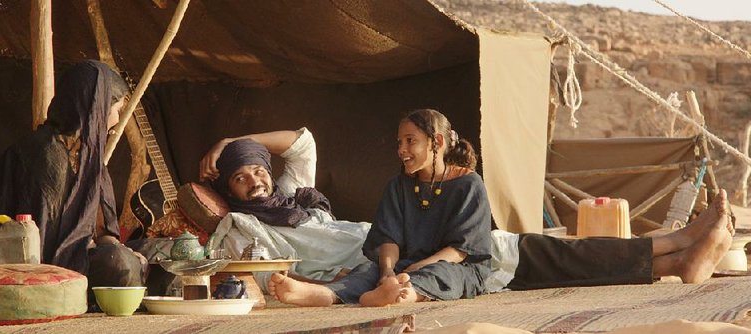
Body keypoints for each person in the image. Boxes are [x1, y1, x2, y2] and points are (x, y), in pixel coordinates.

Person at [266, 108, 733, 307]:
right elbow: (385, 238)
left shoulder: (468, 186)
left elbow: (461, 252)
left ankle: (686, 244)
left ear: (439, 143)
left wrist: (409, 274)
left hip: (483, 262)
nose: (402, 150)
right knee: (373, 273)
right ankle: (686, 251)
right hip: (415, 272)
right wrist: (390, 273)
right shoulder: (396, 187)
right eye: (399, 143)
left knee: (585, 256)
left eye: (411, 142)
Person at [0, 60, 146, 292]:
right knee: (118, 264)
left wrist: (125, 251)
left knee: (152, 253)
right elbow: (44, 246)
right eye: (115, 109)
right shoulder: (42, 153)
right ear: (93, 107)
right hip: (40, 270)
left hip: (80, 259)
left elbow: (103, 232)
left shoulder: (90, 158)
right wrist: (116, 255)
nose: (115, 121)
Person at [199, 128, 370, 283]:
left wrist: (230, 141)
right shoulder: (241, 226)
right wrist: (330, 287)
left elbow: (303, 144)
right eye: (240, 179)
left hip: (369, 239)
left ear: (268, 172)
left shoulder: (290, 192)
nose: (255, 182)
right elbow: (266, 275)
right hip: (353, 271)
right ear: (229, 191)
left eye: (259, 171)